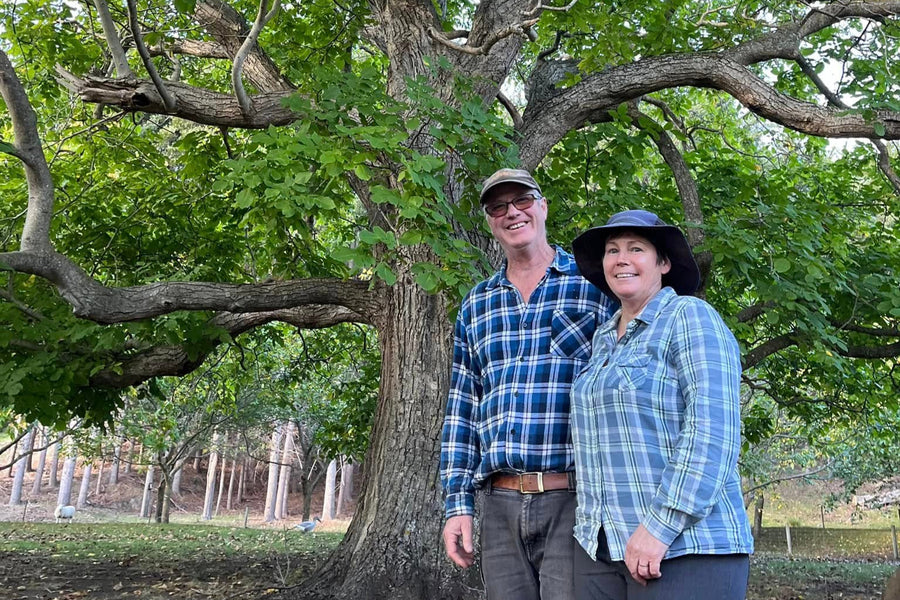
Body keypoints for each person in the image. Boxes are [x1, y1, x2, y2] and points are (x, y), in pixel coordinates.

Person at [439, 168, 616, 600]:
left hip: (575, 500)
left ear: (543, 206)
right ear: (489, 221)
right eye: (498, 206)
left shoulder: (595, 285)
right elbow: (462, 408)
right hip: (499, 505)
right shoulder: (477, 303)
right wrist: (456, 505)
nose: (512, 212)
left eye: (522, 200)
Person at [569, 209, 753, 600]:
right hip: (601, 548)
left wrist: (659, 526)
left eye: (636, 248)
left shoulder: (690, 318)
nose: (621, 259)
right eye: (612, 250)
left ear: (664, 263)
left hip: (686, 549)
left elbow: (713, 433)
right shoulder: (603, 338)